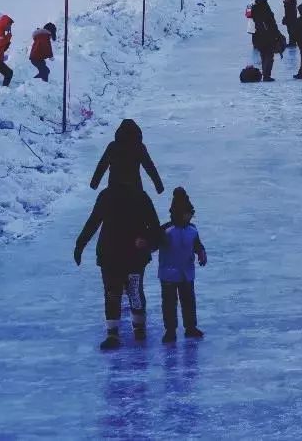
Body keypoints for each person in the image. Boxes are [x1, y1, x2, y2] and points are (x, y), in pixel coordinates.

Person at [74, 177, 162, 350]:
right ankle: (124, 330)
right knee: (126, 292)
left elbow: (93, 222)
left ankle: (127, 329)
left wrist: (80, 245)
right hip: (118, 256)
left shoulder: (124, 196)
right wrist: (149, 242)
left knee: (121, 292)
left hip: (121, 256)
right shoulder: (126, 196)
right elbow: (155, 228)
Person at [159, 187, 208, 343]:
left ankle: (190, 327)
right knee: (169, 304)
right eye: (188, 213)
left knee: (188, 301)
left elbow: (197, 245)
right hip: (168, 274)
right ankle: (170, 330)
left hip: (186, 273)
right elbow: (154, 244)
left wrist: (201, 253)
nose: (191, 216)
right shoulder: (167, 230)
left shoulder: (192, 230)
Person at [90, 119, 165, 193]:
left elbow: (102, 165)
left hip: (114, 188)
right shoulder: (139, 147)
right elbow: (150, 167)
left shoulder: (113, 146)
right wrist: (159, 186)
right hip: (135, 188)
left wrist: (94, 183)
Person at [250, 0, 281, 81]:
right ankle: (267, 75)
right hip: (268, 38)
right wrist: (277, 35)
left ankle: (265, 74)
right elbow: (273, 26)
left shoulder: (255, 11)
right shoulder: (267, 12)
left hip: (258, 38)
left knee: (263, 56)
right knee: (269, 57)